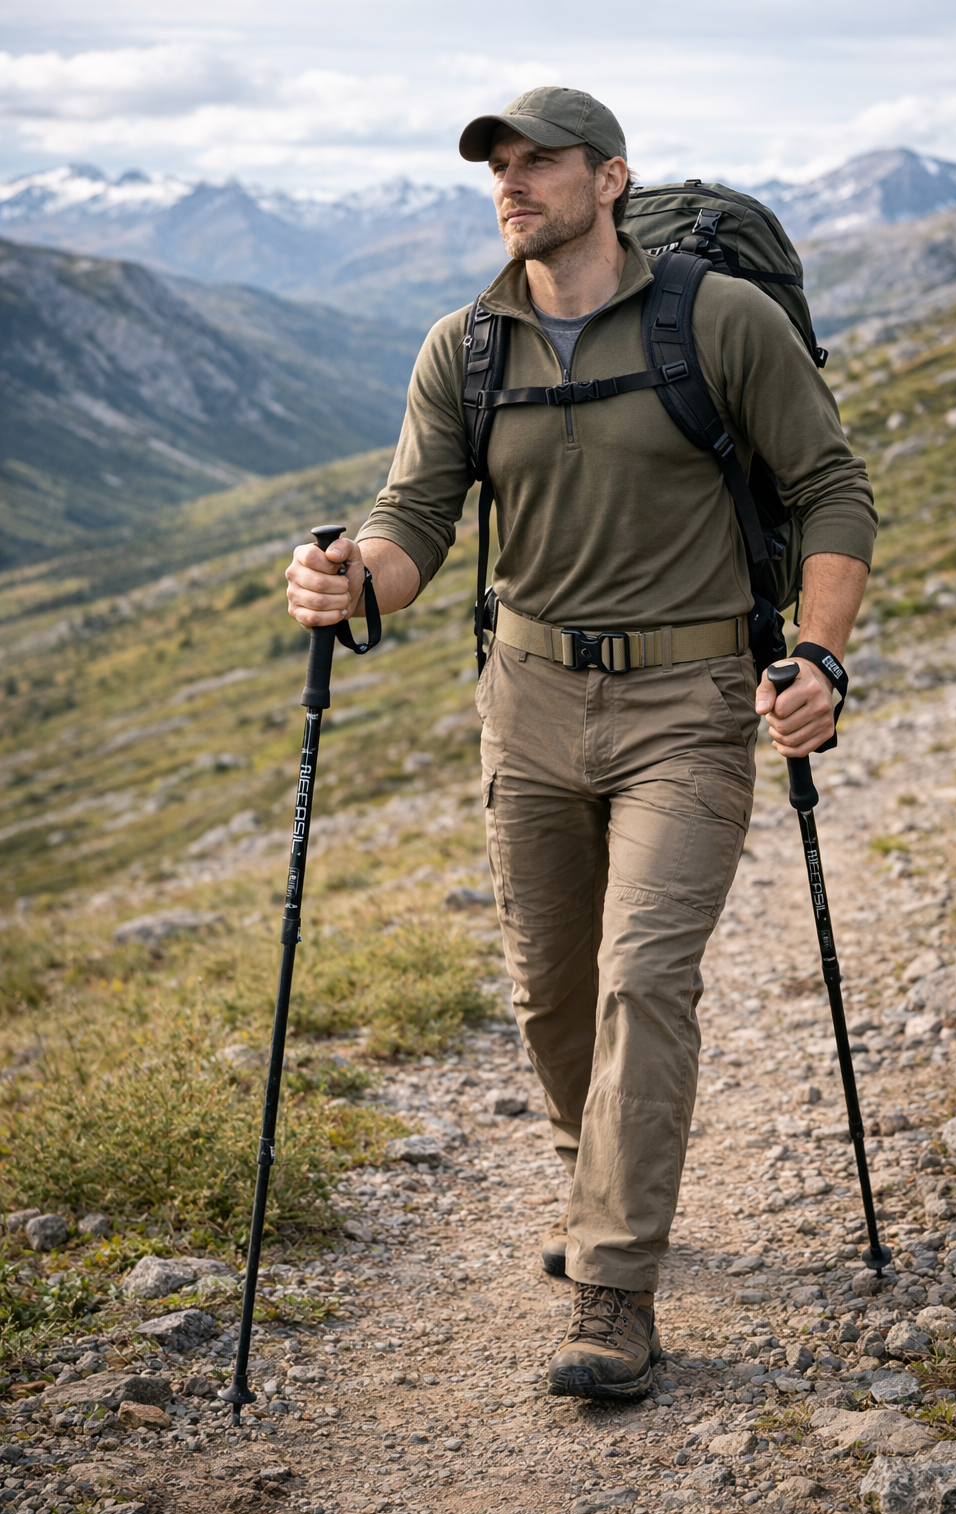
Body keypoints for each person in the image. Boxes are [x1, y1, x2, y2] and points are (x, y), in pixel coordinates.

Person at [286, 86, 876, 1401]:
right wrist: (346, 581)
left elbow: (833, 485)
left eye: (537, 160)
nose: (510, 181)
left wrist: (821, 656)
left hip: (691, 706)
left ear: (609, 180)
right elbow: (413, 526)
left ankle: (614, 1287)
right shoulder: (467, 347)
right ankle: (596, 1177)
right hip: (530, 704)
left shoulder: (718, 323)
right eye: (496, 164)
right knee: (552, 997)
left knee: (640, 976)